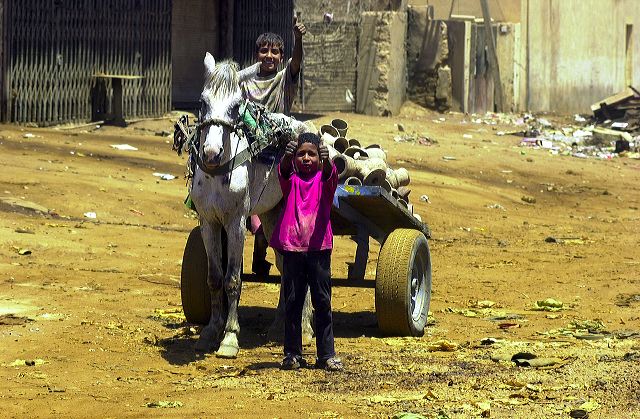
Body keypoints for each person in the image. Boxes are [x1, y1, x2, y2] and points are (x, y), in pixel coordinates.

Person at [270, 132, 343, 372]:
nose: (307, 158)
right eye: (301, 154)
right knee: (292, 302)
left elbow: (333, 174)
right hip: (292, 249)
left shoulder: (325, 180)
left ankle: (326, 355)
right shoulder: (290, 181)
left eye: (312, 153)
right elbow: (281, 171)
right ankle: (292, 354)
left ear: (319, 157)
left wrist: (329, 161)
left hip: (319, 249)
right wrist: (286, 157)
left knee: (322, 301)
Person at [240, 19, 307, 276]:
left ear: (281, 57)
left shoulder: (284, 80)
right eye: (264, 51)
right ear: (257, 55)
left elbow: (297, 62)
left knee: (277, 210)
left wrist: (298, 40)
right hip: (246, 153)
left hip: (278, 154)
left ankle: (264, 251)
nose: (269, 56)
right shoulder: (244, 82)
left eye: (275, 51)